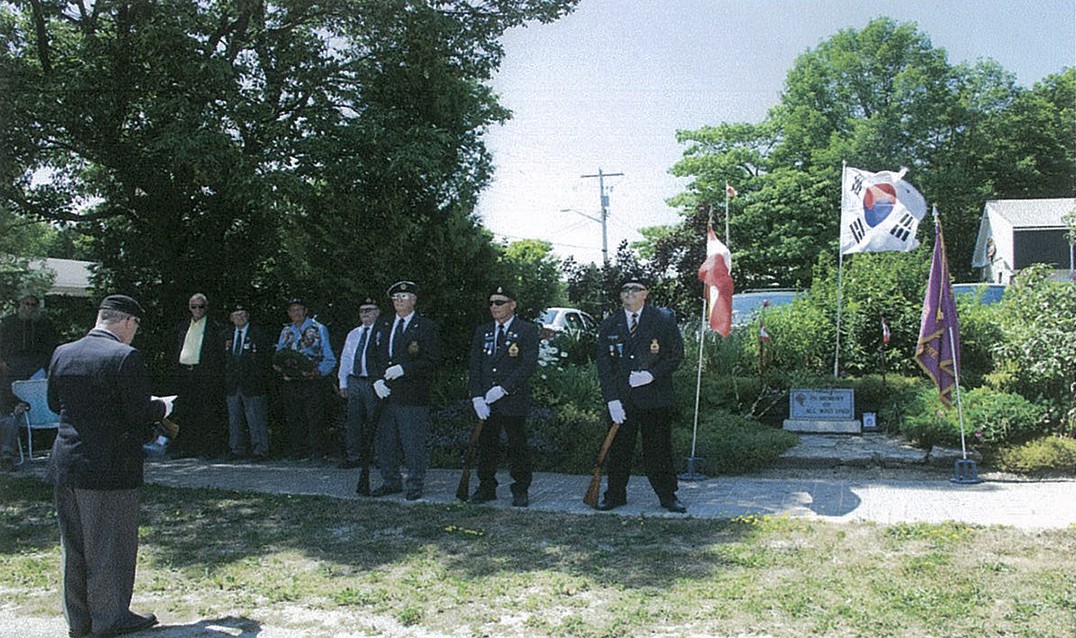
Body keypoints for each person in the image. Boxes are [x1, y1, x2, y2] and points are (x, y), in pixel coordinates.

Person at [44, 294, 173, 638]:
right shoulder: (124, 356)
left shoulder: (63, 352)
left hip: (67, 463)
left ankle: (80, 621)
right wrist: (162, 408)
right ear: (127, 321)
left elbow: (55, 403)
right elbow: (138, 412)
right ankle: (110, 618)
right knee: (110, 546)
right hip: (110, 467)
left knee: (74, 546)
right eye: (136, 326)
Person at [595, 278, 687, 513]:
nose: (629, 294)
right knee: (619, 450)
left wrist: (652, 375)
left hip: (655, 397)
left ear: (646, 294)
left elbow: (676, 355)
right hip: (622, 400)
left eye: (634, 290)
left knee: (659, 449)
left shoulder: (663, 319)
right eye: (624, 290)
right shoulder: (609, 324)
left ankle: (668, 496)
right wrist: (611, 399)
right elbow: (604, 366)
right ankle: (615, 495)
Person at [467, 285, 539, 507]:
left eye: (499, 302)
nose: (494, 307)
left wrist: (504, 388)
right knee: (487, 446)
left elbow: (528, 365)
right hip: (487, 402)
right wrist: (477, 397)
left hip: (512, 399)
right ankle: (487, 487)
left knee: (517, 446)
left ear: (512, 304)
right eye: (491, 303)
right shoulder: (484, 331)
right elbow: (475, 366)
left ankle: (520, 489)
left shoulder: (526, 330)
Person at [368, 281, 441, 501]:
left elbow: (432, 360)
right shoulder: (383, 323)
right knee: (385, 441)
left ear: (414, 300)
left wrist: (405, 369)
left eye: (404, 297)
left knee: (413, 443)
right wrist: (376, 381)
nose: (399, 302)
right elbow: (371, 355)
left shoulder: (425, 326)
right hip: (385, 395)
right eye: (396, 298)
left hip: (412, 394)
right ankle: (391, 481)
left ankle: (415, 484)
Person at [274, 297, 336, 461]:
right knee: (294, 417)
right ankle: (298, 452)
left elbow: (329, 357)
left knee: (314, 418)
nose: (296, 313)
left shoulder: (318, 328)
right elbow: (279, 354)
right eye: (292, 310)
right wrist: (278, 366)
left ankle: (317, 453)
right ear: (288, 313)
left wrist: (318, 372)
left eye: (299, 309)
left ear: (305, 310)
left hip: (312, 380)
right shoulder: (286, 331)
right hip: (291, 380)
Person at [170, 293, 225, 458]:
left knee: (206, 412)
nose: (197, 310)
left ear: (206, 308)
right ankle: (187, 448)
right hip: (185, 374)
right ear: (189, 308)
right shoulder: (182, 326)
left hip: (205, 375)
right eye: (194, 306)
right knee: (186, 412)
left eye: (201, 306)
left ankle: (209, 449)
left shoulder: (214, 327)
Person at [337, 297, 381, 470]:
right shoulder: (354, 333)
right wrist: (342, 382)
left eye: (369, 310)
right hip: (354, 380)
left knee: (375, 420)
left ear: (377, 312)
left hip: (372, 381)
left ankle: (379, 456)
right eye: (362, 310)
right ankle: (353, 456)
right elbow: (346, 358)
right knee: (353, 421)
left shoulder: (381, 333)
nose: (365, 314)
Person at [224, 305, 271, 461]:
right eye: (236, 315)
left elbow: (264, 360)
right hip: (232, 384)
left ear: (248, 316)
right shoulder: (227, 334)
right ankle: (236, 449)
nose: (239, 318)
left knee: (256, 419)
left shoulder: (258, 334)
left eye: (243, 314)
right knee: (234, 418)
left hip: (253, 383)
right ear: (231, 318)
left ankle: (260, 450)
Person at [0, 292, 58, 414]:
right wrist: (1, 362)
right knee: (10, 394)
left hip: (37, 365)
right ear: (21, 304)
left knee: (36, 395)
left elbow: (51, 347)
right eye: (27, 304)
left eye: (33, 305)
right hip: (12, 365)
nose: (30, 308)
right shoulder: (8, 322)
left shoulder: (45, 324)